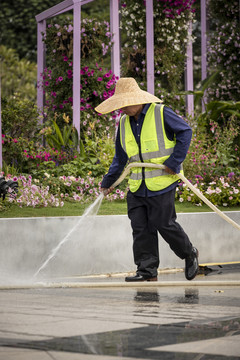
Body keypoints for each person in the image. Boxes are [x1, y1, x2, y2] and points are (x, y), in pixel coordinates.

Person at [95, 77, 199, 282]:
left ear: (137, 99)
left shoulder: (161, 113)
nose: (121, 109)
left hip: (162, 182)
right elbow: (121, 156)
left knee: (164, 224)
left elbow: (185, 132)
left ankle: (189, 253)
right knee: (140, 228)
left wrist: (174, 161)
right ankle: (146, 271)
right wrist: (108, 181)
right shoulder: (123, 123)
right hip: (136, 186)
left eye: (124, 104)